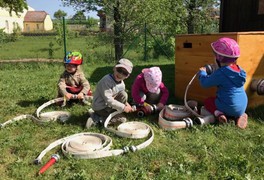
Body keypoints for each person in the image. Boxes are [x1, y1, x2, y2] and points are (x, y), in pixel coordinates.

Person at [198, 37, 248, 129]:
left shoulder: (221, 73)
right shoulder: (240, 71)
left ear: (218, 58)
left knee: (208, 101)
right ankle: (240, 116)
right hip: (243, 104)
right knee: (232, 103)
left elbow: (204, 83)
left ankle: (219, 114)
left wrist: (202, 72)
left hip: (227, 105)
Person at [86, 58, 135, 128]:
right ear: (114, 68)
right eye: (119, 70)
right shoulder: (106, 81)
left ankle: (108, 114)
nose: (121, 74)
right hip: (100, 107)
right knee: (122, 120)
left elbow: (119, 96)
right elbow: (109, 100)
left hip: (109, 105)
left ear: (127, 76)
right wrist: (123, 107)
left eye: (125, 73)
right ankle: (96, 119)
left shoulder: (122, 84)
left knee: (124, 94)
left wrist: (128, 105)